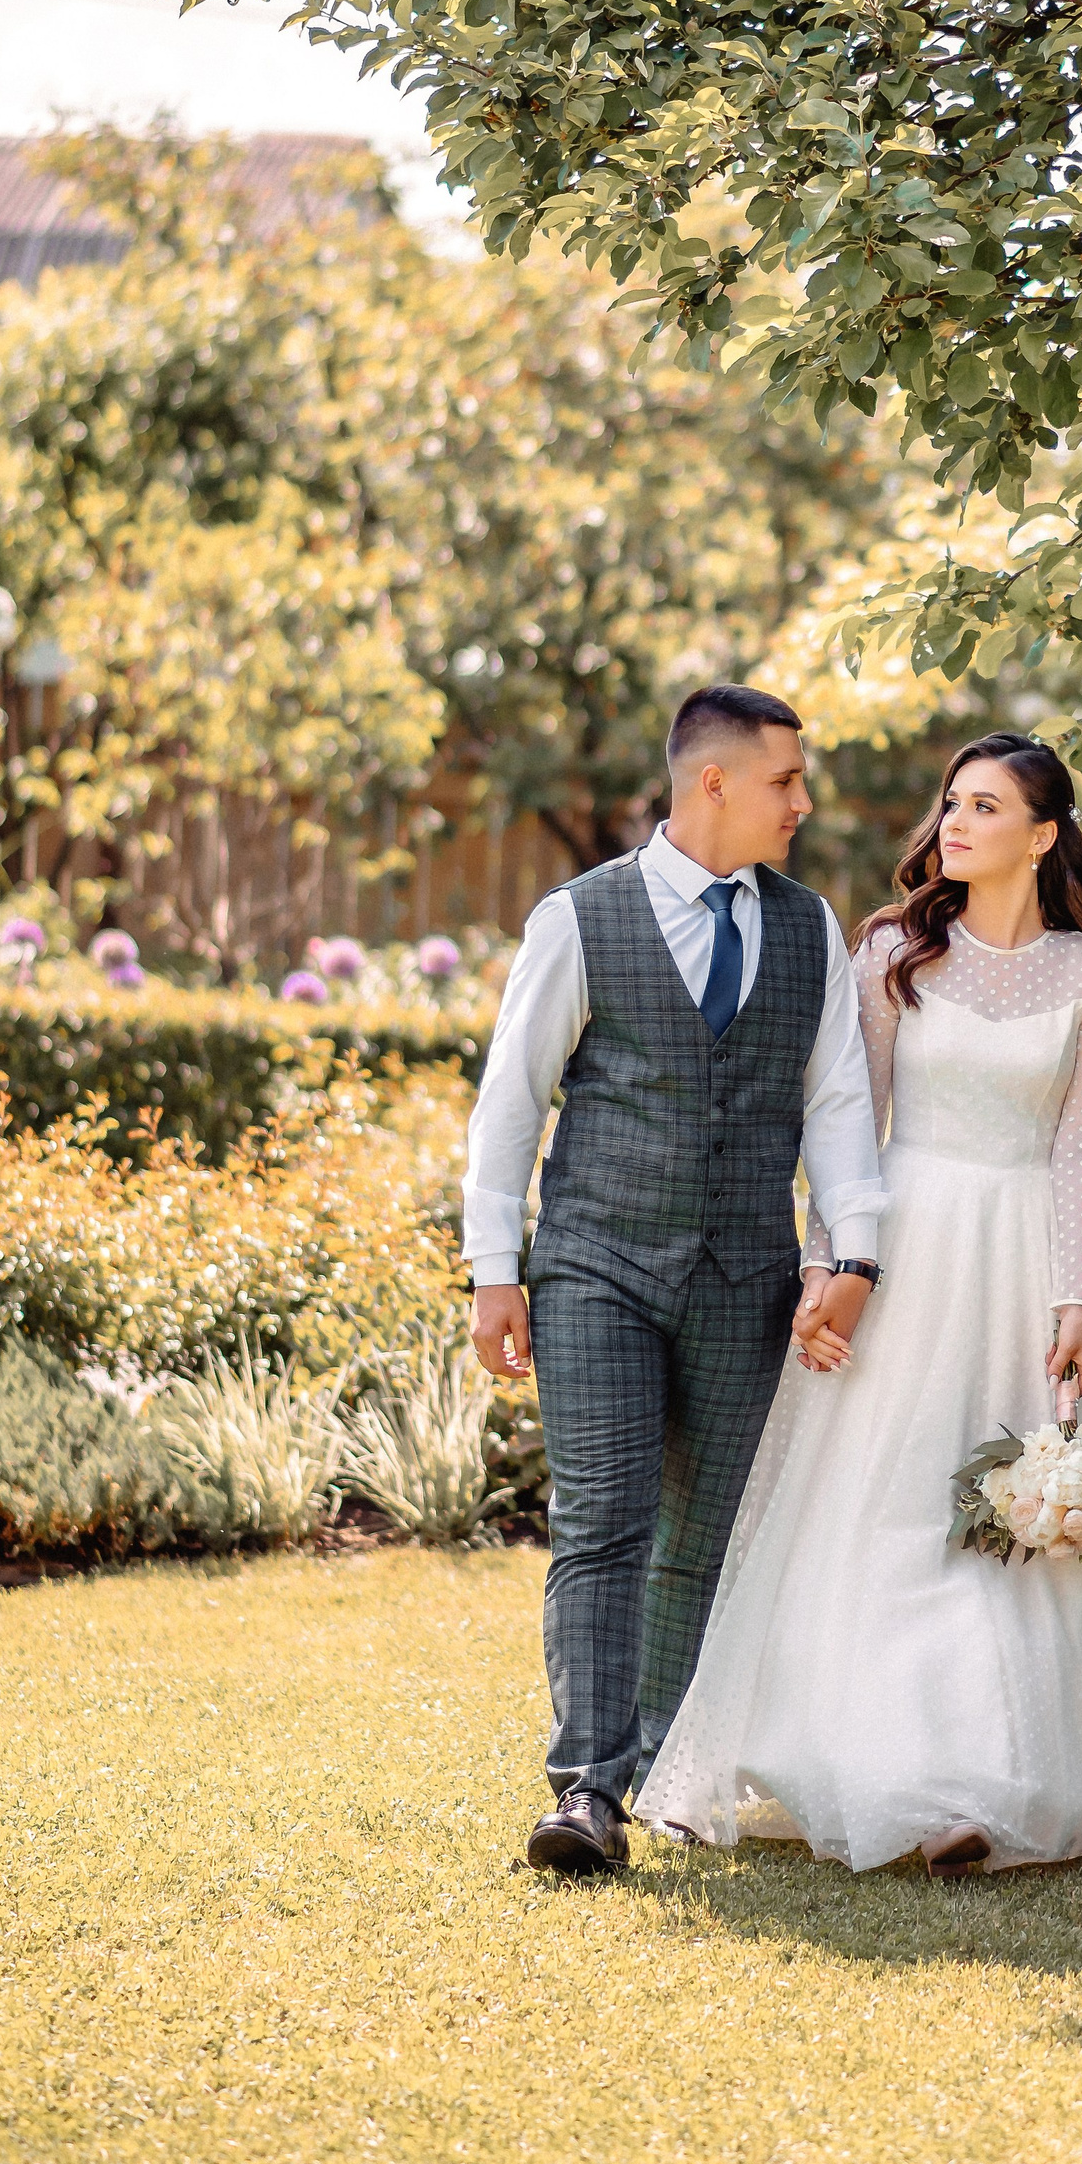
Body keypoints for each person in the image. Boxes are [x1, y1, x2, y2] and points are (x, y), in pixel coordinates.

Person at [638, 733, 1082, 1876]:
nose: (955, 821)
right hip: (901, 1253)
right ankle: (866, 1765)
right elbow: (846, 1126)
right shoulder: (894, 953)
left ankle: (978, 1783)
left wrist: (1074, 1298)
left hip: (1021, 1264)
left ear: (1042, 835)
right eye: (952, 802)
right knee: (882, 1506)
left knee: (1008, 1526)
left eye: (986, 806)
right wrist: (830, 1264)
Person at [463, 684, 884, 1877]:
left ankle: (665, 1770)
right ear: (715, 781)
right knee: (602, 1521)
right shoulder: (579, 917)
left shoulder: (808, 927)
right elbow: (510, 1100)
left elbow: (837, 1105)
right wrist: (495, 1268)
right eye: (785, 780)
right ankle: (588, 1789)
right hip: (597, 1263)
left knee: (700, 1538)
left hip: (746, 1274)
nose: (802, 802)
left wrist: (853, 1252)